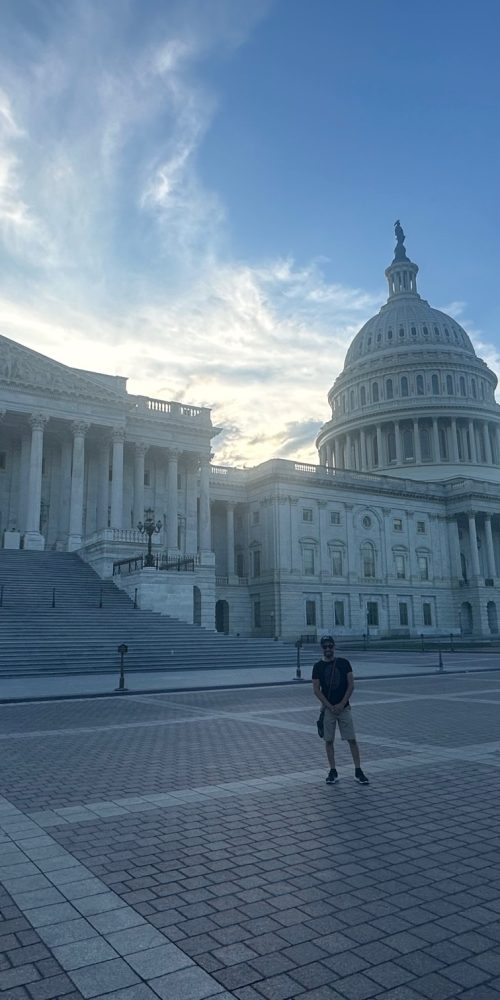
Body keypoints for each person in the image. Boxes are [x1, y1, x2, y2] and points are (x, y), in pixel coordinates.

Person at [312, 635, 369, 785]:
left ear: (334, 647)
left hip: (344, 708)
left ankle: (358, 770)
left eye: (330, 646)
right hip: (328, 709)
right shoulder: (317, 666)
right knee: (328, 740)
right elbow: (316, 690)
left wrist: (342, 703)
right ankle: (333, 771)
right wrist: (329, 706)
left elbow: (351, 685)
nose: (328, 649)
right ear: (322, 648)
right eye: (325, 646)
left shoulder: (344, 663)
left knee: (352, 739)